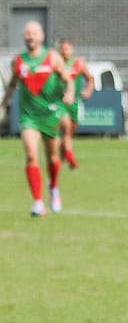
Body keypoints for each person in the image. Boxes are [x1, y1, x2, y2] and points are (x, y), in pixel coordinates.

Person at [1, 21, 74, 216]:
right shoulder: (18, 61)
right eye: (27, 33)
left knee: (52, 157)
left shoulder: (53, 58)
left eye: (34, 33)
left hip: (49, 115)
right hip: (28, 117)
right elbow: (11, 85)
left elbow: (68, 80)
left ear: (41, 37)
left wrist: (69, 93)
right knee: (31, 155)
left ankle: (54, 187)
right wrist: (3, 103)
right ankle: (38, 202)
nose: (30, 36)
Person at [55, 39, 95, 170]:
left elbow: (90, 79)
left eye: (67, 49)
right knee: (65, 127)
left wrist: (88, 90)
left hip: (74, 102)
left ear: (71, 50)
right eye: (62, 49)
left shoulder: (78, 64)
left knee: (69, 133)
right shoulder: (56, 64)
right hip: (59, 102)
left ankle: (62, 156)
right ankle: (70, 158)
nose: (64, 51)